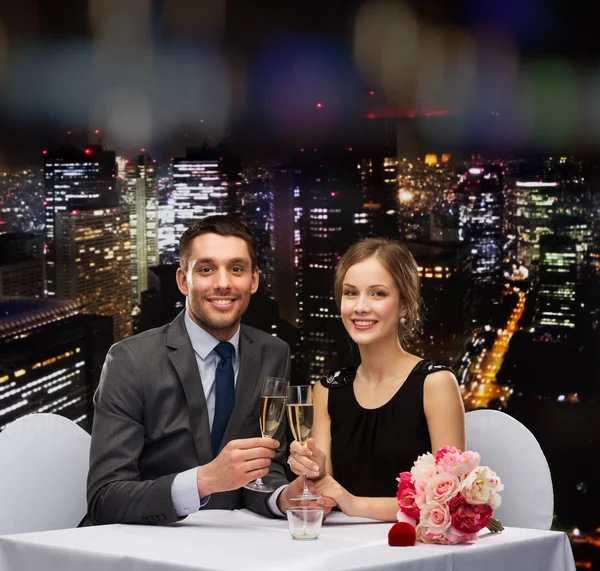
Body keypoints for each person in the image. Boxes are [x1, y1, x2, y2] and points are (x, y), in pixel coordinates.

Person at [87, 215, 316, 525]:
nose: (223, 283)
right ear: (184, 281)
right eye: (206, 269)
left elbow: (265, 467)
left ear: (254, 280)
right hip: (148, 546)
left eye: (236, 269)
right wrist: (204, 480)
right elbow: (106, 498)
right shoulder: (130, 360)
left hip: (235, 542)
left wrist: (282, 498)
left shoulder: (273, 353)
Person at [288, 237, 466, 521]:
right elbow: (325, 493)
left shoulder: (436, 383)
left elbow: (450, 500)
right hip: (342, 550)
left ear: (405, 305)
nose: (360, 307)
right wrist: (314, 470)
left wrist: (354, 503)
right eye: (350, 293)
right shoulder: (325, 390)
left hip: (413, 552)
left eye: (378, 294)